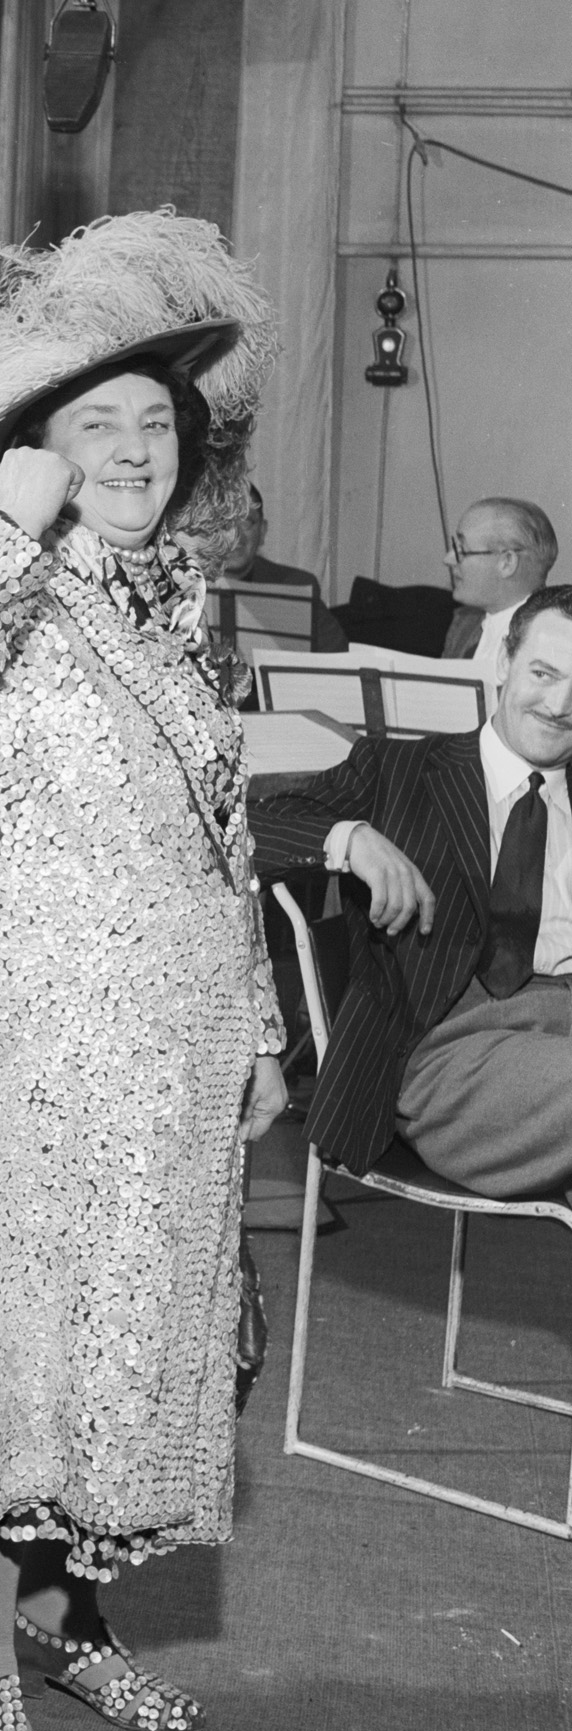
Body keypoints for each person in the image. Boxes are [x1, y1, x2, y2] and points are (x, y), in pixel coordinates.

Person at [0, 212, 287, 1731]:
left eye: (154, 422)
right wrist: (6, 524)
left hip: (172, 1041)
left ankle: (67, 1615)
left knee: (142, 1338)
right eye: (92, 419)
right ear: (24, 444)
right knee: (29, 1354)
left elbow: (220, 838)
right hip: (28, 1047)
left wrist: (255, 1025)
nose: (132, 447)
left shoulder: (178, 598)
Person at [251, 585, 572, 1197]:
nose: (561, 704)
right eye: (543, 672)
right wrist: (350, 838)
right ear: (504, 663)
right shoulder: (397, 771)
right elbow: (247, 830)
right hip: (449, 1050)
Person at [442, 496, 559, 701]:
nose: (448, 559)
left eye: (461, 549)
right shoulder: (464, 623)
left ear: (507, 562)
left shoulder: (554, 638)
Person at [216, 483, 345, 651]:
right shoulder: (182, 586)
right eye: (225, 523)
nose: (235, 536)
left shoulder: (295, 586)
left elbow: (339, 659)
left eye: (247, 522)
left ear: (262, 532)